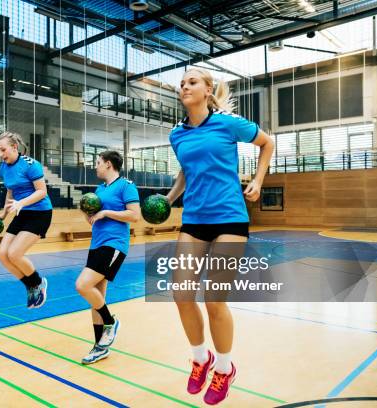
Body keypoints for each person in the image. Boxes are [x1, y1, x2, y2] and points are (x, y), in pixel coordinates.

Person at [166, 67, 274, 405]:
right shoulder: (177, 135)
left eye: (192, 82)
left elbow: (267, 142)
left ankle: (225, 368)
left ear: (208, 90)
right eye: (182, 83)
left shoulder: (228, 124)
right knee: (181, 295)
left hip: (229, 218)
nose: (185, 86)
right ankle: (201, 359)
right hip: (195, 219)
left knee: (214, 300)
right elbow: (186, 170)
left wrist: (258, 180)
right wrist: (168, 200)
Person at [75, 151, 140, 364]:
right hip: (97, 244)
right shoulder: (99, 190)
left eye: (98, 163)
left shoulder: (125, 185)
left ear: (109, 164)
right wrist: (88, 212)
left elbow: (134, 215)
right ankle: (99, 347)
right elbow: (92, 221)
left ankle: (110, 322)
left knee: (83, 285)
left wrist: (106, 213)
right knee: (97, 297)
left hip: (114, 244)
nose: (95, 167)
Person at [0, 131, 52, 308]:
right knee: (3, 255)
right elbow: (10, 192)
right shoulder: (4, 168)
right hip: (22, 212)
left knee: (14, 253)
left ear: (14, 147)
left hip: (39, 213)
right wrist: (3, 215)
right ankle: (29, 286)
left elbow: (42, 191)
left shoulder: (31, 164)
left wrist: (22, 202)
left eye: (3, 150)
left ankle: (39, 282)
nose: (1, 154)